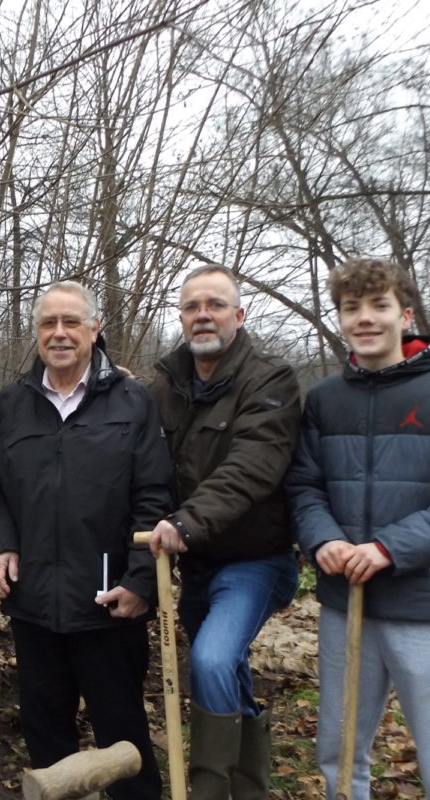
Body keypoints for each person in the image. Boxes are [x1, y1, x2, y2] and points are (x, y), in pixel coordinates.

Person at [286, 258, 430, 800]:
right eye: (351, 308)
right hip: (346, 603)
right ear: (339, 319)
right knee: (338, 752)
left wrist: (389, 548)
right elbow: (304, 487)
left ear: (404, 315)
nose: (365, 318)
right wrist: (324, 539)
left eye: (378, 305)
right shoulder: (324, 400)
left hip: (424, 603)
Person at [0, 280, 173, 800]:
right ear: (36, 332)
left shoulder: (132, 401)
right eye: (49, 323)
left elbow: (155, 495)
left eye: (72, 322)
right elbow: (1, 490)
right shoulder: (12, 403)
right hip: (34, 604)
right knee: (46, 737)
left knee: (124, 738)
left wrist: (141, 582)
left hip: (110, 603)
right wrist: (3, 543)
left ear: (96, 329)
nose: (60, 333)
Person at [147, 264, 301, 800]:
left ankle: (211, 791)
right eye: (192, 307)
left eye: (214, 304)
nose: (202, 315)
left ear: (238, 315)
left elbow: (252, 467)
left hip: (256, 561)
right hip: (195, 561)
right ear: (182, 318)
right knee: (224, 667)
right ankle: (249, 786)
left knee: (211, 659)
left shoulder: (270, 379)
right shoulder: (166, 384)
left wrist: (185, 523)